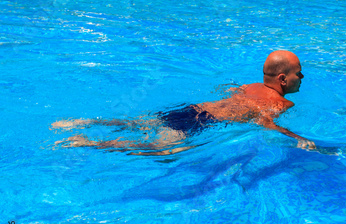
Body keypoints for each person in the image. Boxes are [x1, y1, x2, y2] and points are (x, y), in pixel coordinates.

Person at [52, 50, 316, 155]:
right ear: (283, 79)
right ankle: (88, 142)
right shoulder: (282, 103)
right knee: (162, 152)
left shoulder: (250, 86)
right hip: (204, 122)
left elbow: (229, 90)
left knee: (135, 124)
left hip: (194, 108)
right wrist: (296, 137)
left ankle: (82, 122)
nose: (302, 78)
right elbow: (264, 122)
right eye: (299, 73)